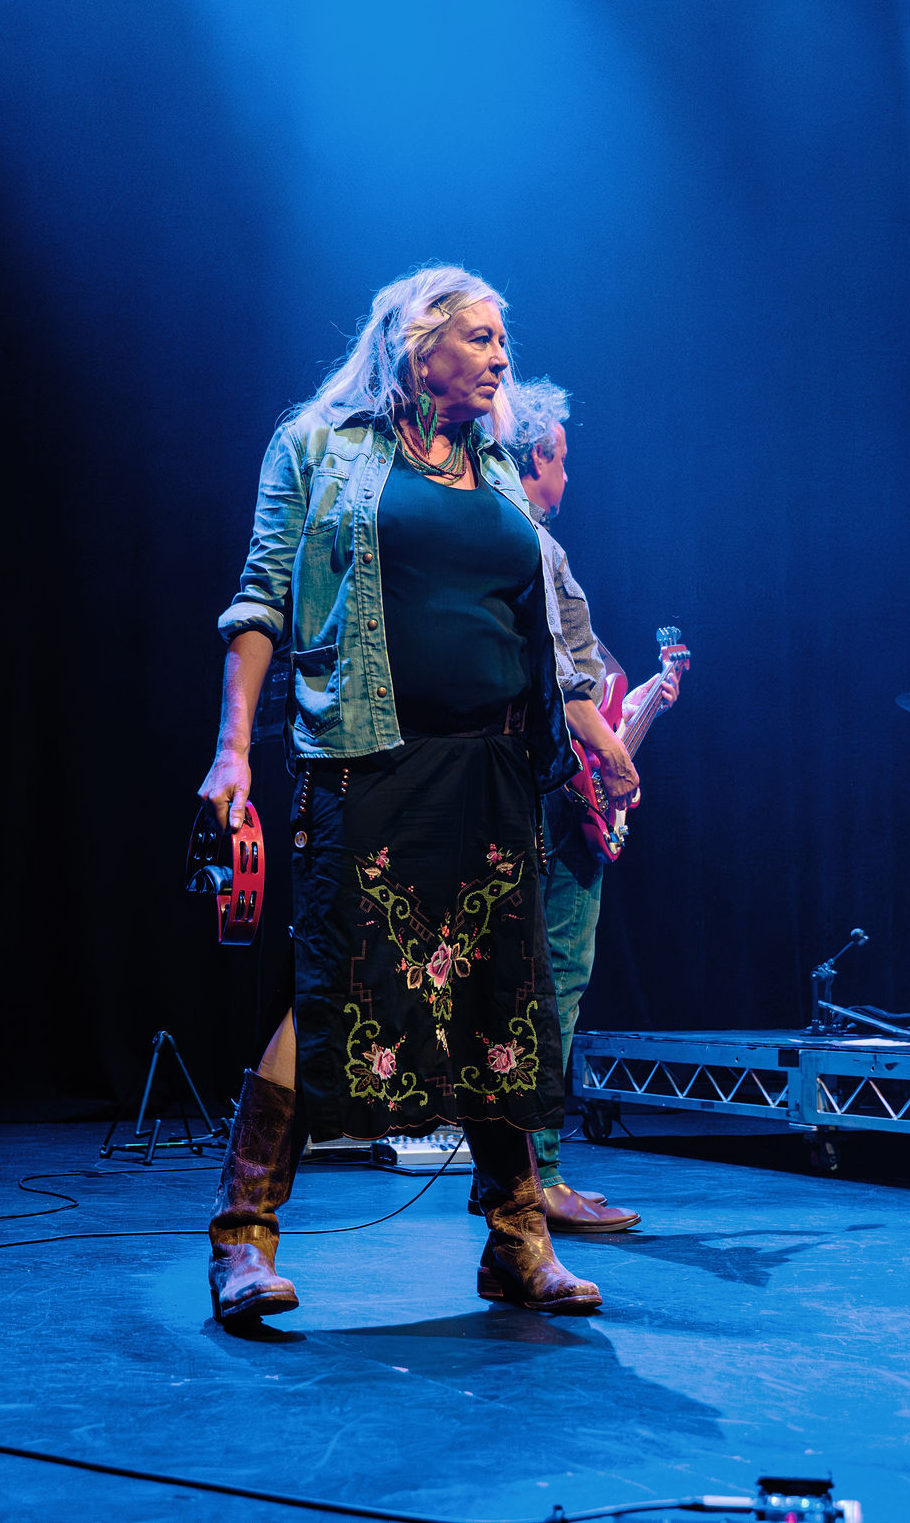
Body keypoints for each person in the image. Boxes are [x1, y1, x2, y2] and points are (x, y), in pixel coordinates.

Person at [198, 265, 604, 1324]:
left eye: (501, 340)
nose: (501, 357)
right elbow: (260, 598)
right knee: (337, 988)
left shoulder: (499, 466)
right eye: (479, 337)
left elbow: (544, 625)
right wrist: (233, 751)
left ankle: (516, 1242)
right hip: (369, 759)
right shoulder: (317, 445)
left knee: (503, 998)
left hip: (495, 770)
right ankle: (242, 1238)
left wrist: (591, 740)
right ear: (418, 344)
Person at [485, 376, 680, 1234]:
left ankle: (521, 1178)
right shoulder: (534, 544)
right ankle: (541, 1179)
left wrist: (637, 716)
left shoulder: (495, 538)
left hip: (524, 793)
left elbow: (589, 699)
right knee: (554, 985)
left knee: (524, 987)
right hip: (552, 805)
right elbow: (566, 699)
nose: (569, 475)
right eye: (564, 458)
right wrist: (616, 759)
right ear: (538, 456)